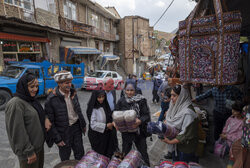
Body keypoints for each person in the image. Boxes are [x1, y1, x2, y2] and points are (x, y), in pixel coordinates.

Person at [5, 73, 51, 168]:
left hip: (37, 148)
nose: (35, 89)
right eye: (32, 86)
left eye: (37, 86)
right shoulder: (16, 104)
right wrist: (28, 152)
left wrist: (45, 118)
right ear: (23, 86)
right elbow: (17, 132)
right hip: (28, 153)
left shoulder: (31, 100)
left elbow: (39, 113)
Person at [45, 70, 86, 161]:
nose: (69, 85)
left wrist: (83, 124)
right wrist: (57, 139)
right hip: (63, 131)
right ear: (59, 83)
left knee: (80, 154)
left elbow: (78, 110)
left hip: (76, 128)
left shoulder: (73, 93)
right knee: (65, 157)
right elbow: (50, 122)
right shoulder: (51, 99)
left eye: (70, 82)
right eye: (66, 83)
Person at [115, 80, 151, 166]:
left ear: (135, 90)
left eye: (131, 90)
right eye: (127, 90)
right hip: (126, 133)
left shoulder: (141, 100)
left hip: (139, 132)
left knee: (143, 153)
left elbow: (146, 115)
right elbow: (116, 113)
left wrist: (140, 120)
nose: (129, 92)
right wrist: (116, 122)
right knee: (126, 153)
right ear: (125, 90)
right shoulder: (121, 101)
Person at [162, 85, 199, 163]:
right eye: (171, 95)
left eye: (174, 95)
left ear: (182, 96)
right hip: (176, 146)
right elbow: (170, 120)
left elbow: (185, 134)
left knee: (182, 164)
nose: (171, 97)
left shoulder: (188, 113)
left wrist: (169, 142)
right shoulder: (175, 106)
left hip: (185, 148)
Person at [86, 90, 116, 158]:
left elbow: (109, 116)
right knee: (99, 155)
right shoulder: (93, 108)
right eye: (99, 97)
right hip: (97, 136)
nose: (101, 99)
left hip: (106, 134)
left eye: (103, 97)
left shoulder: (105, 105)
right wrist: (105, 126)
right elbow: (93, 124)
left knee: (108, 153)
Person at [103, 77, 119, 151]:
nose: (112, 86)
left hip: (112, 115)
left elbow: (114, 103)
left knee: (114, 134)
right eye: (110, 85)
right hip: (104, 116)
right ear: (105, 84)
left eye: (113, 84)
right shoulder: (100, 93)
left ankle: (115, 148)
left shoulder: (113, 91)